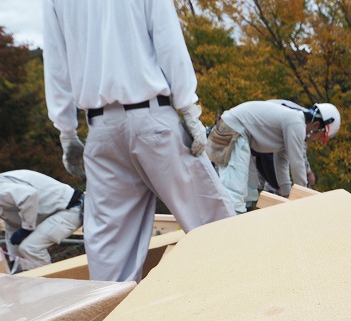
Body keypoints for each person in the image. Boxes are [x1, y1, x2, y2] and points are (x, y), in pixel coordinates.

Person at [43, 0, 235, 284]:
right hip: (152, 119)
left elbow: (57, 64)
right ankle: (244, 293)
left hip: (101, 130)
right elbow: (169, 42)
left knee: (111, 252)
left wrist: (67, 133)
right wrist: (188, 107)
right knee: (211, 218)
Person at [206, 100, 340, 214]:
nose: (316, 140)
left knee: (247, 191)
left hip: (237, 130)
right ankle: (229, 231)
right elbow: (297, 163)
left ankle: (232, 222)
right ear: (316, 126)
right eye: (320, 136)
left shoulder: (291, 121)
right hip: (235, 130)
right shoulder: (296, 123)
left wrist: (288, 194)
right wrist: (303, 198)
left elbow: (281, 160)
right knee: (234, 191)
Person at [255, 100, 316, 196]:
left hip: (260, 130)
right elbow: (298, 159)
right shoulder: (300, 123)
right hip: (261, 131)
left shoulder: (303, 117)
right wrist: (302, 192)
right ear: (317, 126)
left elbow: (283, 156)